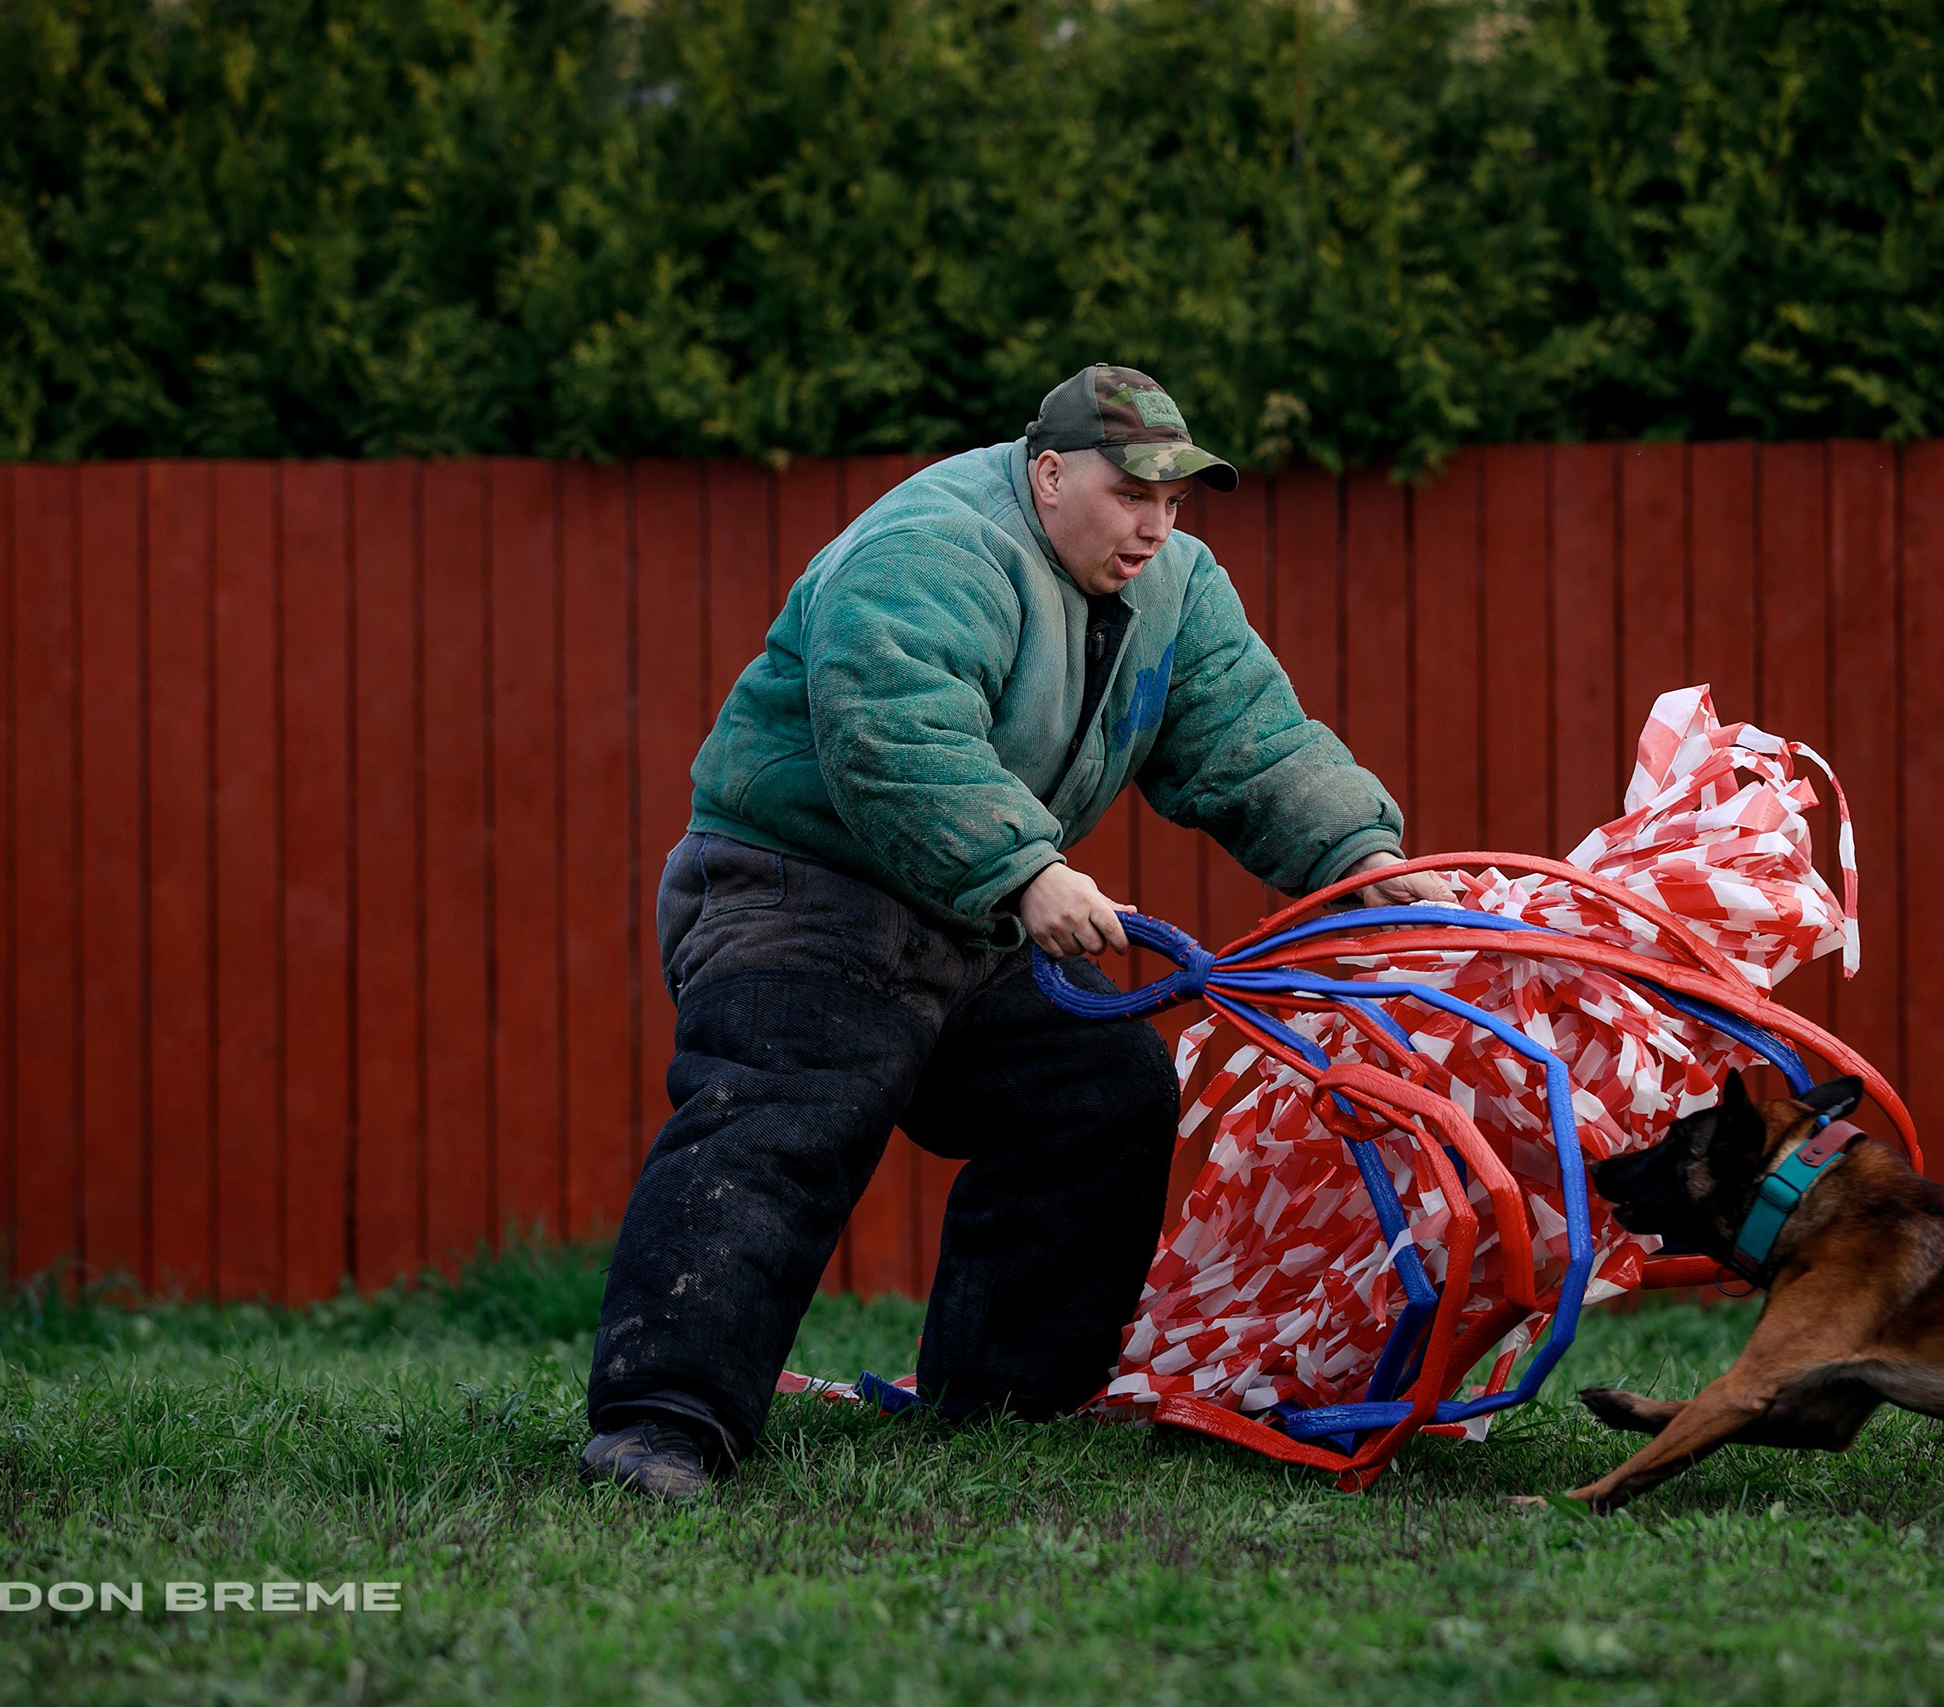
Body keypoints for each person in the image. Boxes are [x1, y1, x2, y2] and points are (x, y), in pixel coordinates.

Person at [581, 363, 1454, 1498]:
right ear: (1048, 473)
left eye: (1174, 501)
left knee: (1101, 1092)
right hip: (796, 893)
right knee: (790, 1106)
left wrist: (1363, 861)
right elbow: (890, 735)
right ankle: (659, 1426)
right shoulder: (931, 547)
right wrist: (1024, 869)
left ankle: (1001, 1408)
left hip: (970, 916)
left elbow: (1254, 741)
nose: (1154, 526)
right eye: (1130, 493)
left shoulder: (1176, 587)